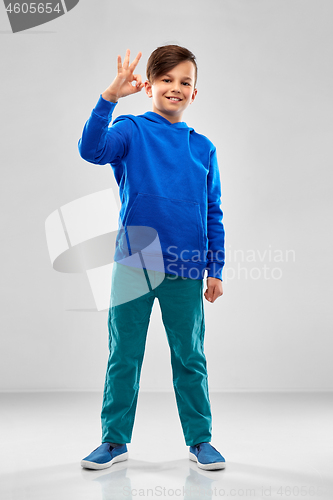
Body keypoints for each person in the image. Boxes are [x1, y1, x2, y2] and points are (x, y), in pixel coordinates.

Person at [78, 45, 226, 471]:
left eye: (185, 82)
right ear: (150, 86)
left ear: (194, 93)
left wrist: (214, 269)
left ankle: (201, 441)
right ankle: (113, 440)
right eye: (166, 79)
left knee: (190, 358)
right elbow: (92, 149)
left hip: (186, 268)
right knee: (124, 353)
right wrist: (109, 97)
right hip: (133, 266)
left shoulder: (203, 148)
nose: (175, 88)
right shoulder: (131, 131)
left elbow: (213, 211)